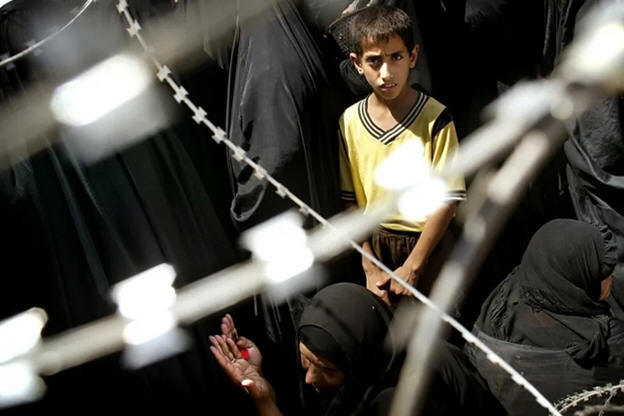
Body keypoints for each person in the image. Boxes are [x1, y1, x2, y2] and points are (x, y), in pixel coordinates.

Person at [210, 283, 505, 416]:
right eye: (305, 360)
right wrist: (261, 389)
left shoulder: (399, 401)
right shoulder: (390, 353)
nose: (310, 378)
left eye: (326, 369)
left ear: (359, 360)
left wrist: (265, 403)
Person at [338, 5, 465, 304]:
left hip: (428, 245)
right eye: (374, 61)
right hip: (375, 246)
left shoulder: (435, 118)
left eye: (395, 57)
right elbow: (350, 201)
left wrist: (414, 266)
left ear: (413, 56)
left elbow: (448, 200)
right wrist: (369, 265)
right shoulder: (350, 122)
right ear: (357, 63)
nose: (386, 73)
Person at [465, 219, 624, 415]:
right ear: (579, 277)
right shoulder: (605, 347)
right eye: (604, 270)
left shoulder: (501, 305)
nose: (612, 274)